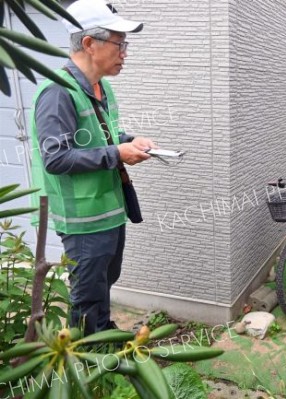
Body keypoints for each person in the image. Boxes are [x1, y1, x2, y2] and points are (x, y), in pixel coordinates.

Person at [29, 0, 156, 335]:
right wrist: (117, 153)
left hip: (109, 210)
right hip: (83, 221)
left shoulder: (102, 86)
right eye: (119, 43)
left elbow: (103, 136)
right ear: (88, 43)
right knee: (87, 295)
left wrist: (130, 140)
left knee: (104, 283)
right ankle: (86, 364)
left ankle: (103, 335)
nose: (125, 52)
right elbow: (56, 158)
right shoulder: (57, 91)